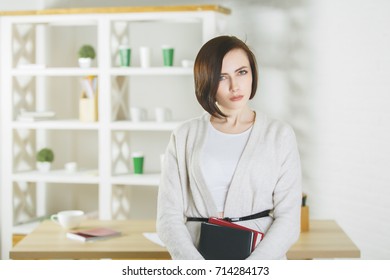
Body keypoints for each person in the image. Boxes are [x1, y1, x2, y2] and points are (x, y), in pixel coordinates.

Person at [157, 35, 302, 260]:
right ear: (206, 81)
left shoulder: (279, 135)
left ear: (253, 73)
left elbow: (289, 220)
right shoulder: (184, 135)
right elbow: (168, 218)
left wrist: (249, 270)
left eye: (242, 72)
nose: (235, 86)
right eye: (222, 77)